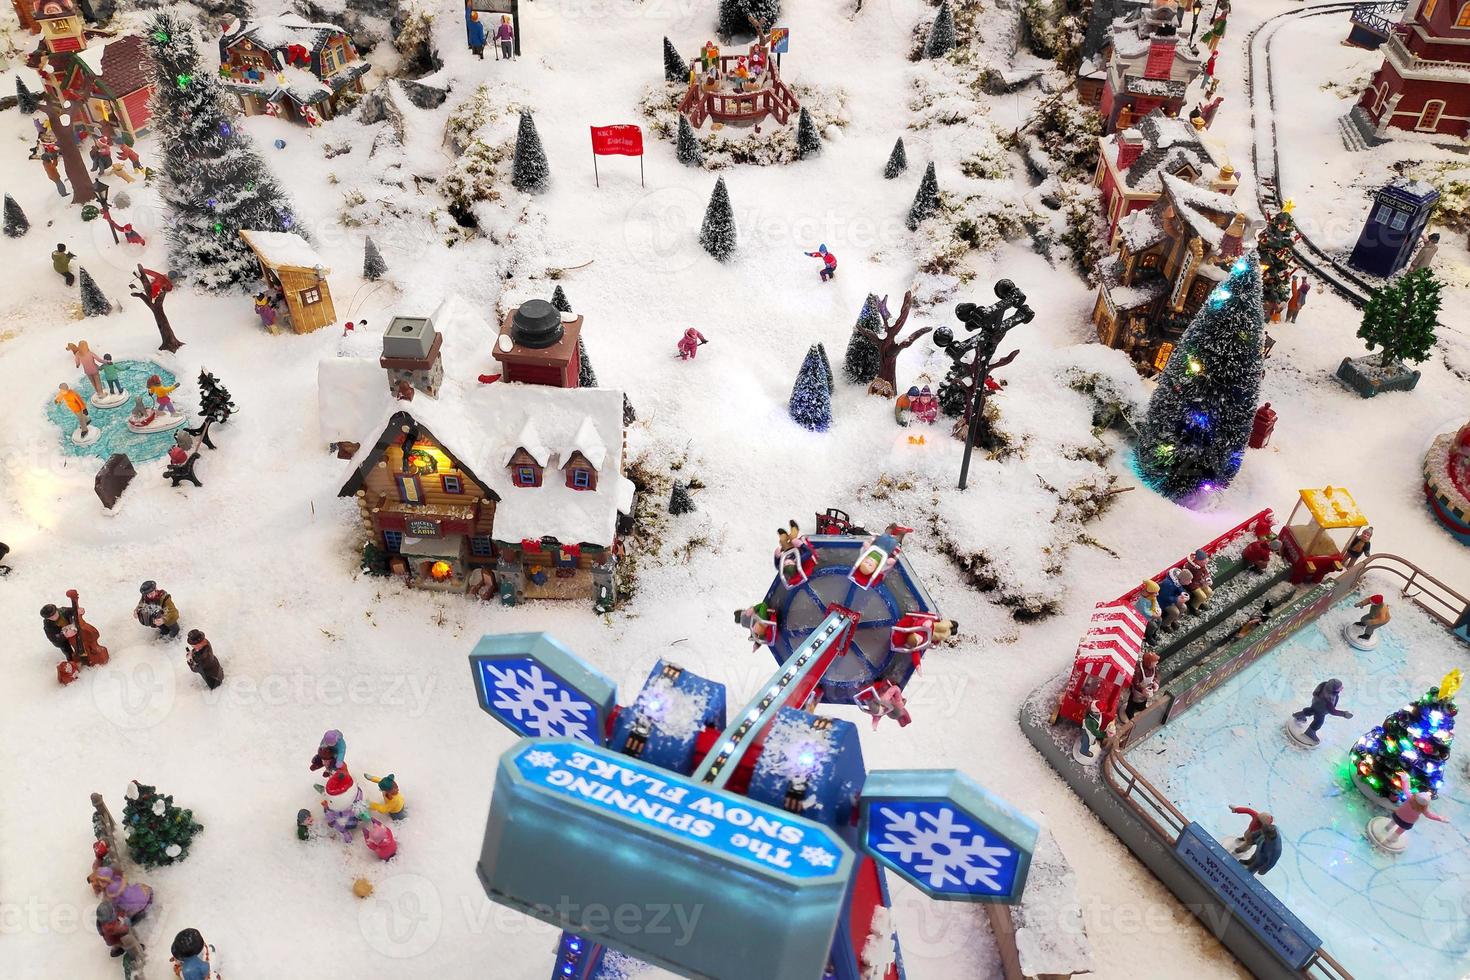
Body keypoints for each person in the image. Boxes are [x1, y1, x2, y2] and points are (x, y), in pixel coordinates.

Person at [1291, 678, 1353, 745]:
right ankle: (1310, 733)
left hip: (1316, 702)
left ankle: (1298, 715)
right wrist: (1344, 714)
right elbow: (1333, 711)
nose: (1342, 688)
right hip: (1321, 710)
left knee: (1311, 710)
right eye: (1340, 687)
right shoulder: (1329, 699)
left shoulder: (1324, 685)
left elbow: (1315, 693)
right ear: (1334, 689)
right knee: (1319, 722)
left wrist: (1318, 699)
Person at [1384, 791, 1450, 843]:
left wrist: (1405, 779)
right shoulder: (1423, 808)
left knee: (1393, 821)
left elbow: (1405, 789)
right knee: (1400, 830)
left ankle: (1387, 827)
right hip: (1407, 822)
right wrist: (1440, 818)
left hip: (1398, 815)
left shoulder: (1410, 797)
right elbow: (1429, 815)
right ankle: (1392, 838)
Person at [1124, 651, 1160, 721]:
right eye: (1154, 662)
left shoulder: (1154, 668)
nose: (1156, 663)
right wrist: (1142, 690)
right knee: (1132, 704)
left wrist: (1156, 683)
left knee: (1143, 702)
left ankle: (1140, 708)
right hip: (1137, 692)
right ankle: (1129, 713)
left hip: (1146, 692)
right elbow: (1135, 682)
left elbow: (1157, 675)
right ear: (1149, 663)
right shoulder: (1138, 670)